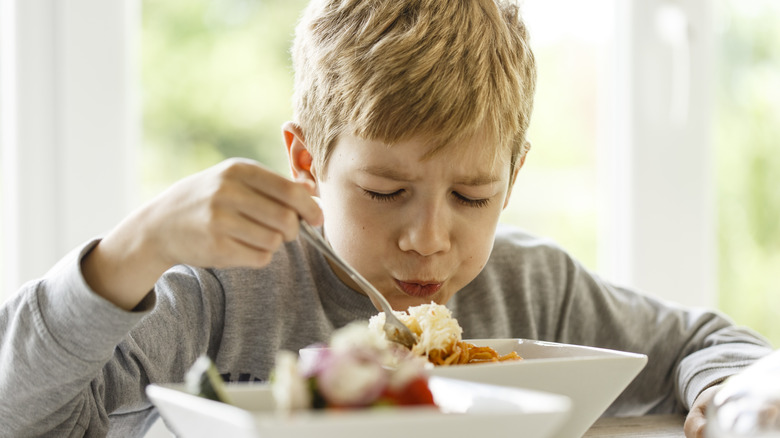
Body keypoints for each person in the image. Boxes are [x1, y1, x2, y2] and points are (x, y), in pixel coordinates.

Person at [0, 0, 772, 436]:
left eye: (473, 197)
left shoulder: (534, 286)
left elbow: (711, 345)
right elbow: (20, 412)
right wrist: (132, 250)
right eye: (382, 192)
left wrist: (735, 400)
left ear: (516, 174)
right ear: (306, 163)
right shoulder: (218, 291)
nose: (429, 240)